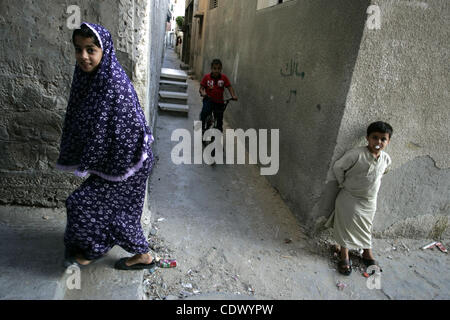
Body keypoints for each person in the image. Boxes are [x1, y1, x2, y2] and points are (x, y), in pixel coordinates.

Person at [56, 22, 156, 270]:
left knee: (83, 203)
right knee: (118, 212)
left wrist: (112, 175)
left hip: (129, 162)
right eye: (78, 50)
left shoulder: (113, 85)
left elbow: (127, 134)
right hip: (119, 161)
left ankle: (92, 251)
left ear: (105, 50)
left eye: (91, 50)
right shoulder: (90, 77)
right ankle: (136, 254)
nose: (83, 57)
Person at [325, 121, 393, 275]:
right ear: (367, 138)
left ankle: (367, 253)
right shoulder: (356, 154)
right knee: (346, 226)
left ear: (388, 142)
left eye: (383, 139)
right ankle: (344, 254)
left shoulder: (386, 159)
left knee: (366, 226)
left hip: (369, 201)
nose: (378, 142)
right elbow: (338, 167)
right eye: (375, 138)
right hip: (350, 197)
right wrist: (343, 183)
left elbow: (384, 171)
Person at [199, 59, 238, 134]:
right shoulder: (207, 77)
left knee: (219, 119)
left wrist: (233, 95)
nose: (216, 70)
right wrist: (203, 92)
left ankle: (218, 136)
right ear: (211, 68)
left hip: (219, 101)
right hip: (209, 100)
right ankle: (202, 126)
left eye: (218, 69)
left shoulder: (224, 78)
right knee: (205, 112)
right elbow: (201, 88)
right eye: (214, 68)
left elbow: (229, 87)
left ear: (221, 69)